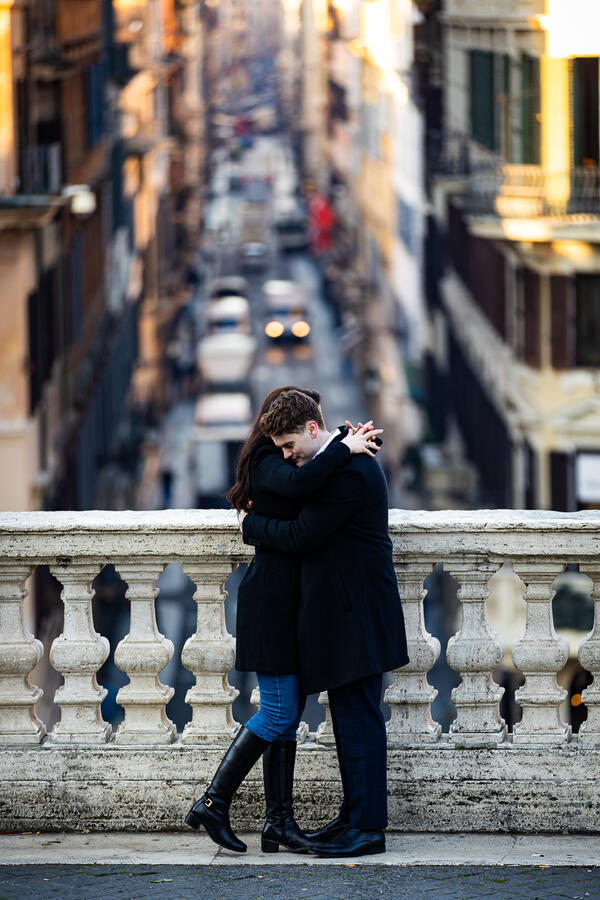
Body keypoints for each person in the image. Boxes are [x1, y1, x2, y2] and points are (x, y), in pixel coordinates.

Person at [185, 386, 381, 853]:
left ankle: (278, 823)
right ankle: (213, 802)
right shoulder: (268, 463)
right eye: (284, 445)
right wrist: (342, 446)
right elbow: (300, 511)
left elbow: (314, 488)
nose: (289, 455)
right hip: (272, 603)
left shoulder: (309, 462)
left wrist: (342, 444)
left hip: (295, 608)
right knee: (277, 712)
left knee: (289, 716)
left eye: (291, 445)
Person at [241, 390, 409, 858]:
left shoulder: (352, 472)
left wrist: (252, 528)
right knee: (351, 721)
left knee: (361, 723)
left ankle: (368, 830)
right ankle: (354, 818)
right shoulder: (339, 464)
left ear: (314, 430)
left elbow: (301, 534)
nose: (286, 455)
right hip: (347, 615)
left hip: (358, 615)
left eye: (290, 445)